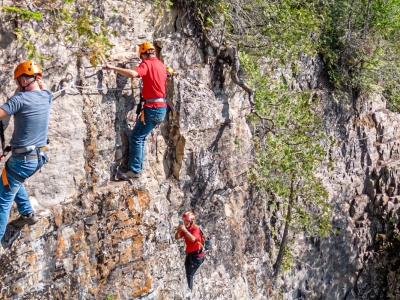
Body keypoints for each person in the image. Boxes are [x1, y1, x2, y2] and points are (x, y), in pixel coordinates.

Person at [0, 60, 52, 243]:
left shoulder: (19, 100)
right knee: (12, 179)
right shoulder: (47, 95)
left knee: (3, 200)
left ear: (23, 81)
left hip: (23, 159)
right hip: (38, 157)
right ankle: (27, 213)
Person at [103, 42, 167, 180]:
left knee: (137, 137)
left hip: (153, 108)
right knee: (140, 136)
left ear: (144, 54)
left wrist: (113, 68)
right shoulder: (161, 64)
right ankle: (136, 168)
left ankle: (135, 170)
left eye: (141, 56)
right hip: (160, 107)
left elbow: (134, 74)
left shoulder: (147, 63)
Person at [175, 211, 205, 291]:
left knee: (189, 274)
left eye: (187, 221)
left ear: (191, 221)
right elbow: (177, 237)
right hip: (190, 254)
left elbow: (193, 239)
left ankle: (190, 291)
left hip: (198, 256)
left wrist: (185, 231)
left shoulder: (196, 229)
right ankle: (188, 288)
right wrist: (179, 230)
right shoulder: (186, 229)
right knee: (186, 270)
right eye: (184, 221)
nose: (185, 223)